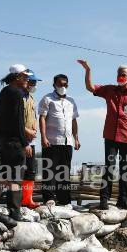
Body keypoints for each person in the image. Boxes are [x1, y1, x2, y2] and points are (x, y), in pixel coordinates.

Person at [77, 59, 127, 210]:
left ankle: (123, 200)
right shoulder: (109, 90)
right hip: (110, 136)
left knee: (125, 169)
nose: (120, 76)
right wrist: (87, 70)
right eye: (119, 74)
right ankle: (104, 199)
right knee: (109, 167)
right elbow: (90, 87)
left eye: (124, 74)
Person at [0, 64, 33, 221]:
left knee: (4, 176)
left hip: (4, 141)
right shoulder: (16, 93)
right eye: (25, 77)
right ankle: (15, 211)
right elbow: (17, 122)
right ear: (17, 77)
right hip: (14, 143)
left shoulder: (3, 92)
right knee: (16, 178)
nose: (27, 80)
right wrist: (25, 143)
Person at [38, 74, 80, 205]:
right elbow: (42, 118)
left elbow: (73, 121)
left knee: (64, 172)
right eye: (60, 84)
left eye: (65, 84)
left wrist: (76, 138)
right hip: (51, 141)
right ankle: (49, 198)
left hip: (67, 142)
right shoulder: (47, 99)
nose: (63, 86)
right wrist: (43, 137)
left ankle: (64, 200)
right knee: (50, 171)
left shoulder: (71, 101)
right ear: (54, 85)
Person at [21, 70, 42, 209]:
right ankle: (19, 200)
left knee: (31, 171)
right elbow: (17, 121)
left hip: (31, 140)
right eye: (32, 82)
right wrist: (25, 140)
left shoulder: (32, 98)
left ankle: (28, 200)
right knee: (17, 172)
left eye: (35, 82)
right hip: (22, 140)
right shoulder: (19, 97)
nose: (34, 85)